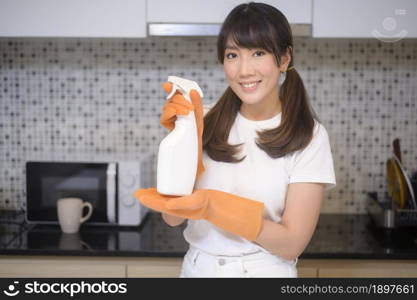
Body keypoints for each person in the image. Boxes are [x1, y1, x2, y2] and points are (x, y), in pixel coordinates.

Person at [135, 2, 336, 278]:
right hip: (196, 270)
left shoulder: (309, 136)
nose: (243, 70)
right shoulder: (203, 122)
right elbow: (172, 218)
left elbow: (292, 244)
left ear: (284, 58)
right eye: (232, 55)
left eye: (258, 53)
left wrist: (214, 207)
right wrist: (181, 148)